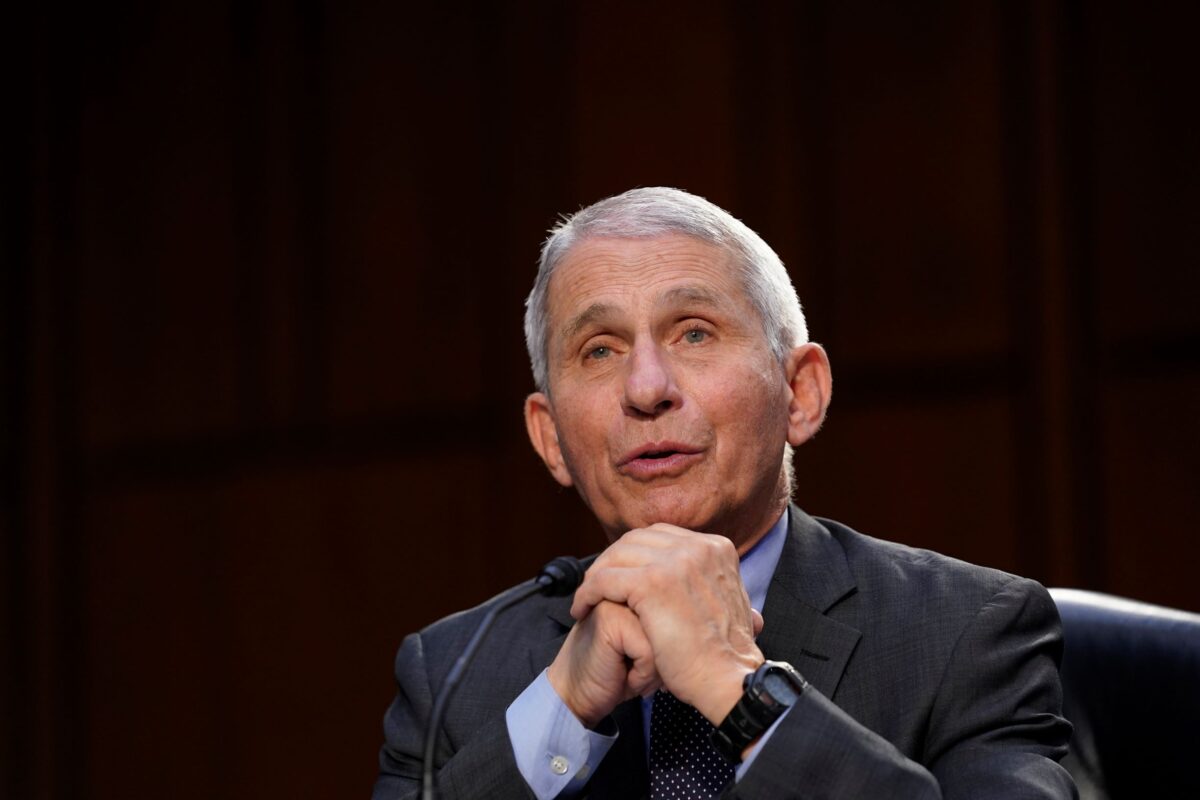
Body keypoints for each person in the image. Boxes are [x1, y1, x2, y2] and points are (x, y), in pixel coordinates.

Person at [372, 187, 1075, 799]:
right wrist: (562, 712)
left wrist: (737, 689)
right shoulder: (453, 677)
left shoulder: (964, 633)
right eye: (600, 350)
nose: (647, 389)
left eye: (695, 332)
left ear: (801, 393)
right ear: (551, 436)